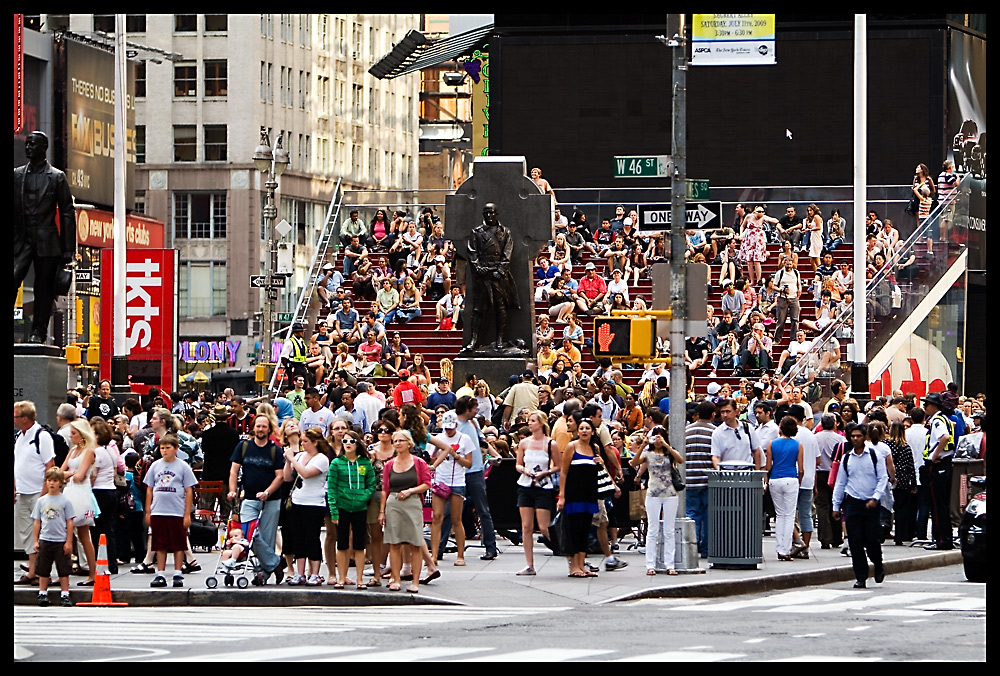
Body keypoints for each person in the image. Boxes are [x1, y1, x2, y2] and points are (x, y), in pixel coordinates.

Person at [14, 131, 76, 344]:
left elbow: (67, 212)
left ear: (44, 147)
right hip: (22, 240)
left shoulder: (57, 177)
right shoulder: (17, 175)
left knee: (44, 288)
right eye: (27, 144)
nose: (28, 147)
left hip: (47, 241)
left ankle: (38, 331)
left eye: (32, 144)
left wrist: (68, 250)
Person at [227, 415, 286, 585]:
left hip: (272, 498)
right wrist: (232, 490)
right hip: (249, 497)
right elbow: (233, 471)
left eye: (264, 427)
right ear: (254, 428)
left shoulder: (275, 450)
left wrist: (267, 492)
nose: (260, 429)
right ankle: (275, 562)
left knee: (267, 538)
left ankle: (263, 575)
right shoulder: (244, 446)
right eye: (258, 426)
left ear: (269, 429)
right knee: (248, 534)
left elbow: (280, 476)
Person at [833, 424, 889, 588]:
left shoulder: (874, 455)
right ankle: (861, 576)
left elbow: (883, 478)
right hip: (853, 502)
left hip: (871, 503)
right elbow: (840, 482)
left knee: (871, 539)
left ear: (865, 437)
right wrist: (836, 505)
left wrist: (876, 497)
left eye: (859, 436)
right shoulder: (847, 458)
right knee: (855, 541)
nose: (855, 439)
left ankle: (877, 564)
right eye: (853, 436)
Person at [380, 430, 432, 593]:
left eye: (401, 440)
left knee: (415, 542)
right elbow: (385, 489)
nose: (398, 443)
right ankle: (395, 578)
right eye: (395, 441)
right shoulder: (389, 464)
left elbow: (427, 483)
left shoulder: (418, 463)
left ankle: (415, 580)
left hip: (412, 502)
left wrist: (411, 491)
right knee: (394, 543)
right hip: (394, 502)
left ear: (409, 443)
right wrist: (382, 511)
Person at [144, 434, 198, 588]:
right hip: (158, 510)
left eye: (168, 448)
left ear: (176, 449)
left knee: (178, 543)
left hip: (176, 511)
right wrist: (148, 511)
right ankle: (160, 573)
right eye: (162, 448)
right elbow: (149, 489)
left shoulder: (183, 466)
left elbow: (189, 491)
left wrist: (187, 513)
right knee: (159, 543)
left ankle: (177, 572)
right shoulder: (155, 466)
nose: (164, 451)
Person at [630, 425, 685, 575]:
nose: (658, 441)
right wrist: (643, 445)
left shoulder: (669, 453)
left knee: (669, 530)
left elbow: (680, 460)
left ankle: (670, 564)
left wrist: (667, 445)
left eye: (660, 437)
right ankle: (650, 565)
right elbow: (633, 463)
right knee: (652, 529)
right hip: (653, 493)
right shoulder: (648, 454)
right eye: (656, 437)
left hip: (670, 494)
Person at [14, 400, 57, 586]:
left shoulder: (42, 436)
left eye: (15, 416)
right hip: (22, 492)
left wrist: (44, 493)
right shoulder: (19, 436)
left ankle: (41, 571)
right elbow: (18, 464)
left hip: (37, 492)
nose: (13, 419)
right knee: (26, 533)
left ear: (25, 418)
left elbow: (50, 466)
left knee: (41, 533)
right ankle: (32, 571)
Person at [325, 430, 375, 589]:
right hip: (342, 507)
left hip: (360, 507)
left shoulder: (365, 463)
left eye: (352, 441)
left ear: (358, 444)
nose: (348, 444)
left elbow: (372, 485)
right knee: (342, 544)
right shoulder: (336, 463)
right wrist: (333, 510)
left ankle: (360, 579)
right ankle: (341, 577)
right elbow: (331, 488)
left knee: (360, 544)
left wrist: (362, 496)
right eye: (345, 441)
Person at [512, 411, 557, 576]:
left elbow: (557, 466)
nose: (529, 423)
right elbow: (517, 464)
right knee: (526, 527)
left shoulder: (550, 443)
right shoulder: (524, 443)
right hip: (525, 485)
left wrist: (545, 473)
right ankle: (529, 565)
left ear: (541, 423)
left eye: (532, 421)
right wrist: (525, 470)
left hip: (543, 487)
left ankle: (568, 552)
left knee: (545, 527)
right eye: (529, 421)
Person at [428, 411, 476, 567]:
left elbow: (469, 464)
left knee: (456, 519)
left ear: (456, 425)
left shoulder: (465, 439)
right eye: (446, 427)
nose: (448, 430)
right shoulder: (438, 438)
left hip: (457, 480)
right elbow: (431, 458)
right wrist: (435, 451)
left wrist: (456, 455)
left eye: (451, 427)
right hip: (441, 480)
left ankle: (460, 555)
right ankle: (434, 554)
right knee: (437, 517)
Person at [557, 415, 601, 578]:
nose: (584, 431)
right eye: (581, 428)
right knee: (574, 529)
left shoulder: (595, 448)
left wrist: (600, 463)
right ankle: (573, 566)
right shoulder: (571, 447)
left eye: (587, 428)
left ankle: (582, 565)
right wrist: (562, 495)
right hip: (573, 494)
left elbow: (597, 471)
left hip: (589, 494)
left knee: (585, 529)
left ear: (592, 431)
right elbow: (564, 472)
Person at [61, 419, 99, 586]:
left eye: (74, 433)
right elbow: (59, 472)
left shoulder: (89, 451)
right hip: (70, 491)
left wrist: (70, 473)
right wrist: (71, 473)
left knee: (83, 535)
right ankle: (64, 573)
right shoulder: (73, 450)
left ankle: (92, 573)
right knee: (65, 534)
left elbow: (79, 476)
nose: (71, 436)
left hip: (81, 493)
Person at [31, 467, 76, 606]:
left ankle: (65, 594)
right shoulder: (41, 501)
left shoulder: (65, 501)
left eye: (55, 480)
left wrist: (69, 542)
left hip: (60, 540)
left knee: (63, 568)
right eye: (49, 480)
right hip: (45, 539)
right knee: (43, 568)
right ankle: (42, 593)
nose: (52, 483)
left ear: (61, 483)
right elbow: (37, 521)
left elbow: (69, 522)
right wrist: (35, 540)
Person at [765, 416, 805, 561]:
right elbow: (801, 469)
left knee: (779, 514)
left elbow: (768, 466)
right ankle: (786, 548)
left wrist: (766, 480)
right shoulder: (798, 445)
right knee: (789, 516)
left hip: (775, 479)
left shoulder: (771, 444)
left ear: (780, 428)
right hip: (791, 479)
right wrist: (798, 481)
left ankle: (779, 547)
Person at [922, 392, 955, 550]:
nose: (924, 407)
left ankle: (942, 540)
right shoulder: (943, 419)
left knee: (937, 505)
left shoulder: (937, 420)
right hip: (944, 465)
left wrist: (935, 455)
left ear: (935, 406)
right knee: (941, 505)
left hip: (939, 465)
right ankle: (943, 539)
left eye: (927, 404)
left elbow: (945, 437)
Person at [684, 400, 716, 558]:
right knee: (709, 516)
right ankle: (706, 549)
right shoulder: (714, 432)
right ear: (712, 414)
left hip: (690, 478)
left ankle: (690, 547)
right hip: (708, 479)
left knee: (692, 514)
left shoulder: (686, 431)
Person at [814, 414, 846, 550]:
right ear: (834, 424)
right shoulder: (840, 439)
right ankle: (837, 537)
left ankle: (825, 538)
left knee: (822, 505)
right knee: (836, 503)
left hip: (820, 473)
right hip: (836, 474)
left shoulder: (815, 438)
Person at [886, 421, 918, 545]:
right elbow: (911, 466)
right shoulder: (906, 447)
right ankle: (900, 535)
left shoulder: (886, 445)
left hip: (888, 478)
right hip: (903, 480)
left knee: (886, 507)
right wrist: (913, 484)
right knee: (901, 509)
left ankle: (884, 530)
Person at [711, 398, 762, 469]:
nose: (725, 415)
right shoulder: (717, 432)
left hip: (747, 472)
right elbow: (715, 456)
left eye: (728, 411)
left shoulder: (748, 428)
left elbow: (756, 450)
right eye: (722, 412)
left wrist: (757, 472)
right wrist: (720, 473)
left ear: (736, 411)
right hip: (727, 474)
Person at [739, 206, 778, 287]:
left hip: (758, 240)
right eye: (758, 212)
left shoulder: (763, 217)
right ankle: (752, 281)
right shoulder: (749, 216)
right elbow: (742, 225)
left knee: (757, 261)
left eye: (762, 212)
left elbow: (775, 220)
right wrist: (741, 235)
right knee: (749, 261)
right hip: (749, 239)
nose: (760, 214)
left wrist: (767, 219)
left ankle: (758, 279)